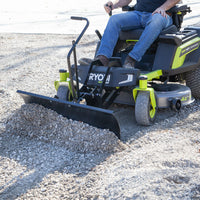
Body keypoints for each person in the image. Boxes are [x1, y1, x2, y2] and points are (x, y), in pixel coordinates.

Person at [96, 0, 180, 68]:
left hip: (161, 15)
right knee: (114, 19)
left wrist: (163, 8)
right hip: (139, 14)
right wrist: (114, 5)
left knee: (156, 20)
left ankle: (132, 59)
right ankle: (103, 59)